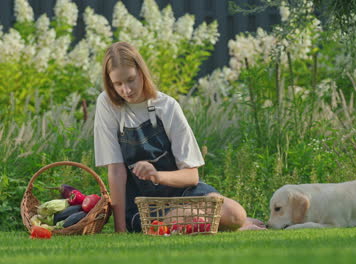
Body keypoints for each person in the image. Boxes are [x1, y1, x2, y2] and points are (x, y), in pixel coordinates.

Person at [94, 41, 265, 232]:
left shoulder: (167, 106)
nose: (126, 90)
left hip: (185, 193)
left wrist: (157, 176)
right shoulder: (107, 104)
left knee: (236, 214)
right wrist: (120, 229)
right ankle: (208, 220)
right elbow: (117, 171)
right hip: (143, 207)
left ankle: (224, 221)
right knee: (193, 216)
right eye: (118, 83)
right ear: (110, 83)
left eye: (131, 79)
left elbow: (192, 176)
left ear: (142, 73)